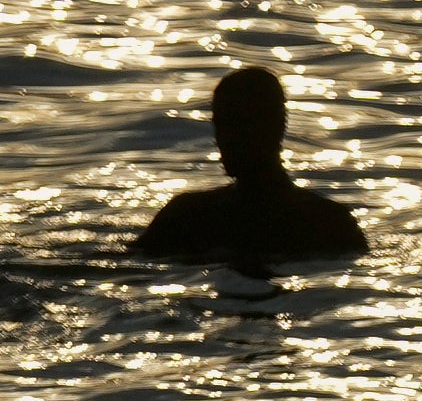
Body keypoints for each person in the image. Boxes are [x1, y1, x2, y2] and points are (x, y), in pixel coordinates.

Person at [128, 67, 367, 270]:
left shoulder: (188, 216)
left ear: (274, 128)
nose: (225, 139)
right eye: (222, 125)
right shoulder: (330, 222)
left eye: (240, 126)